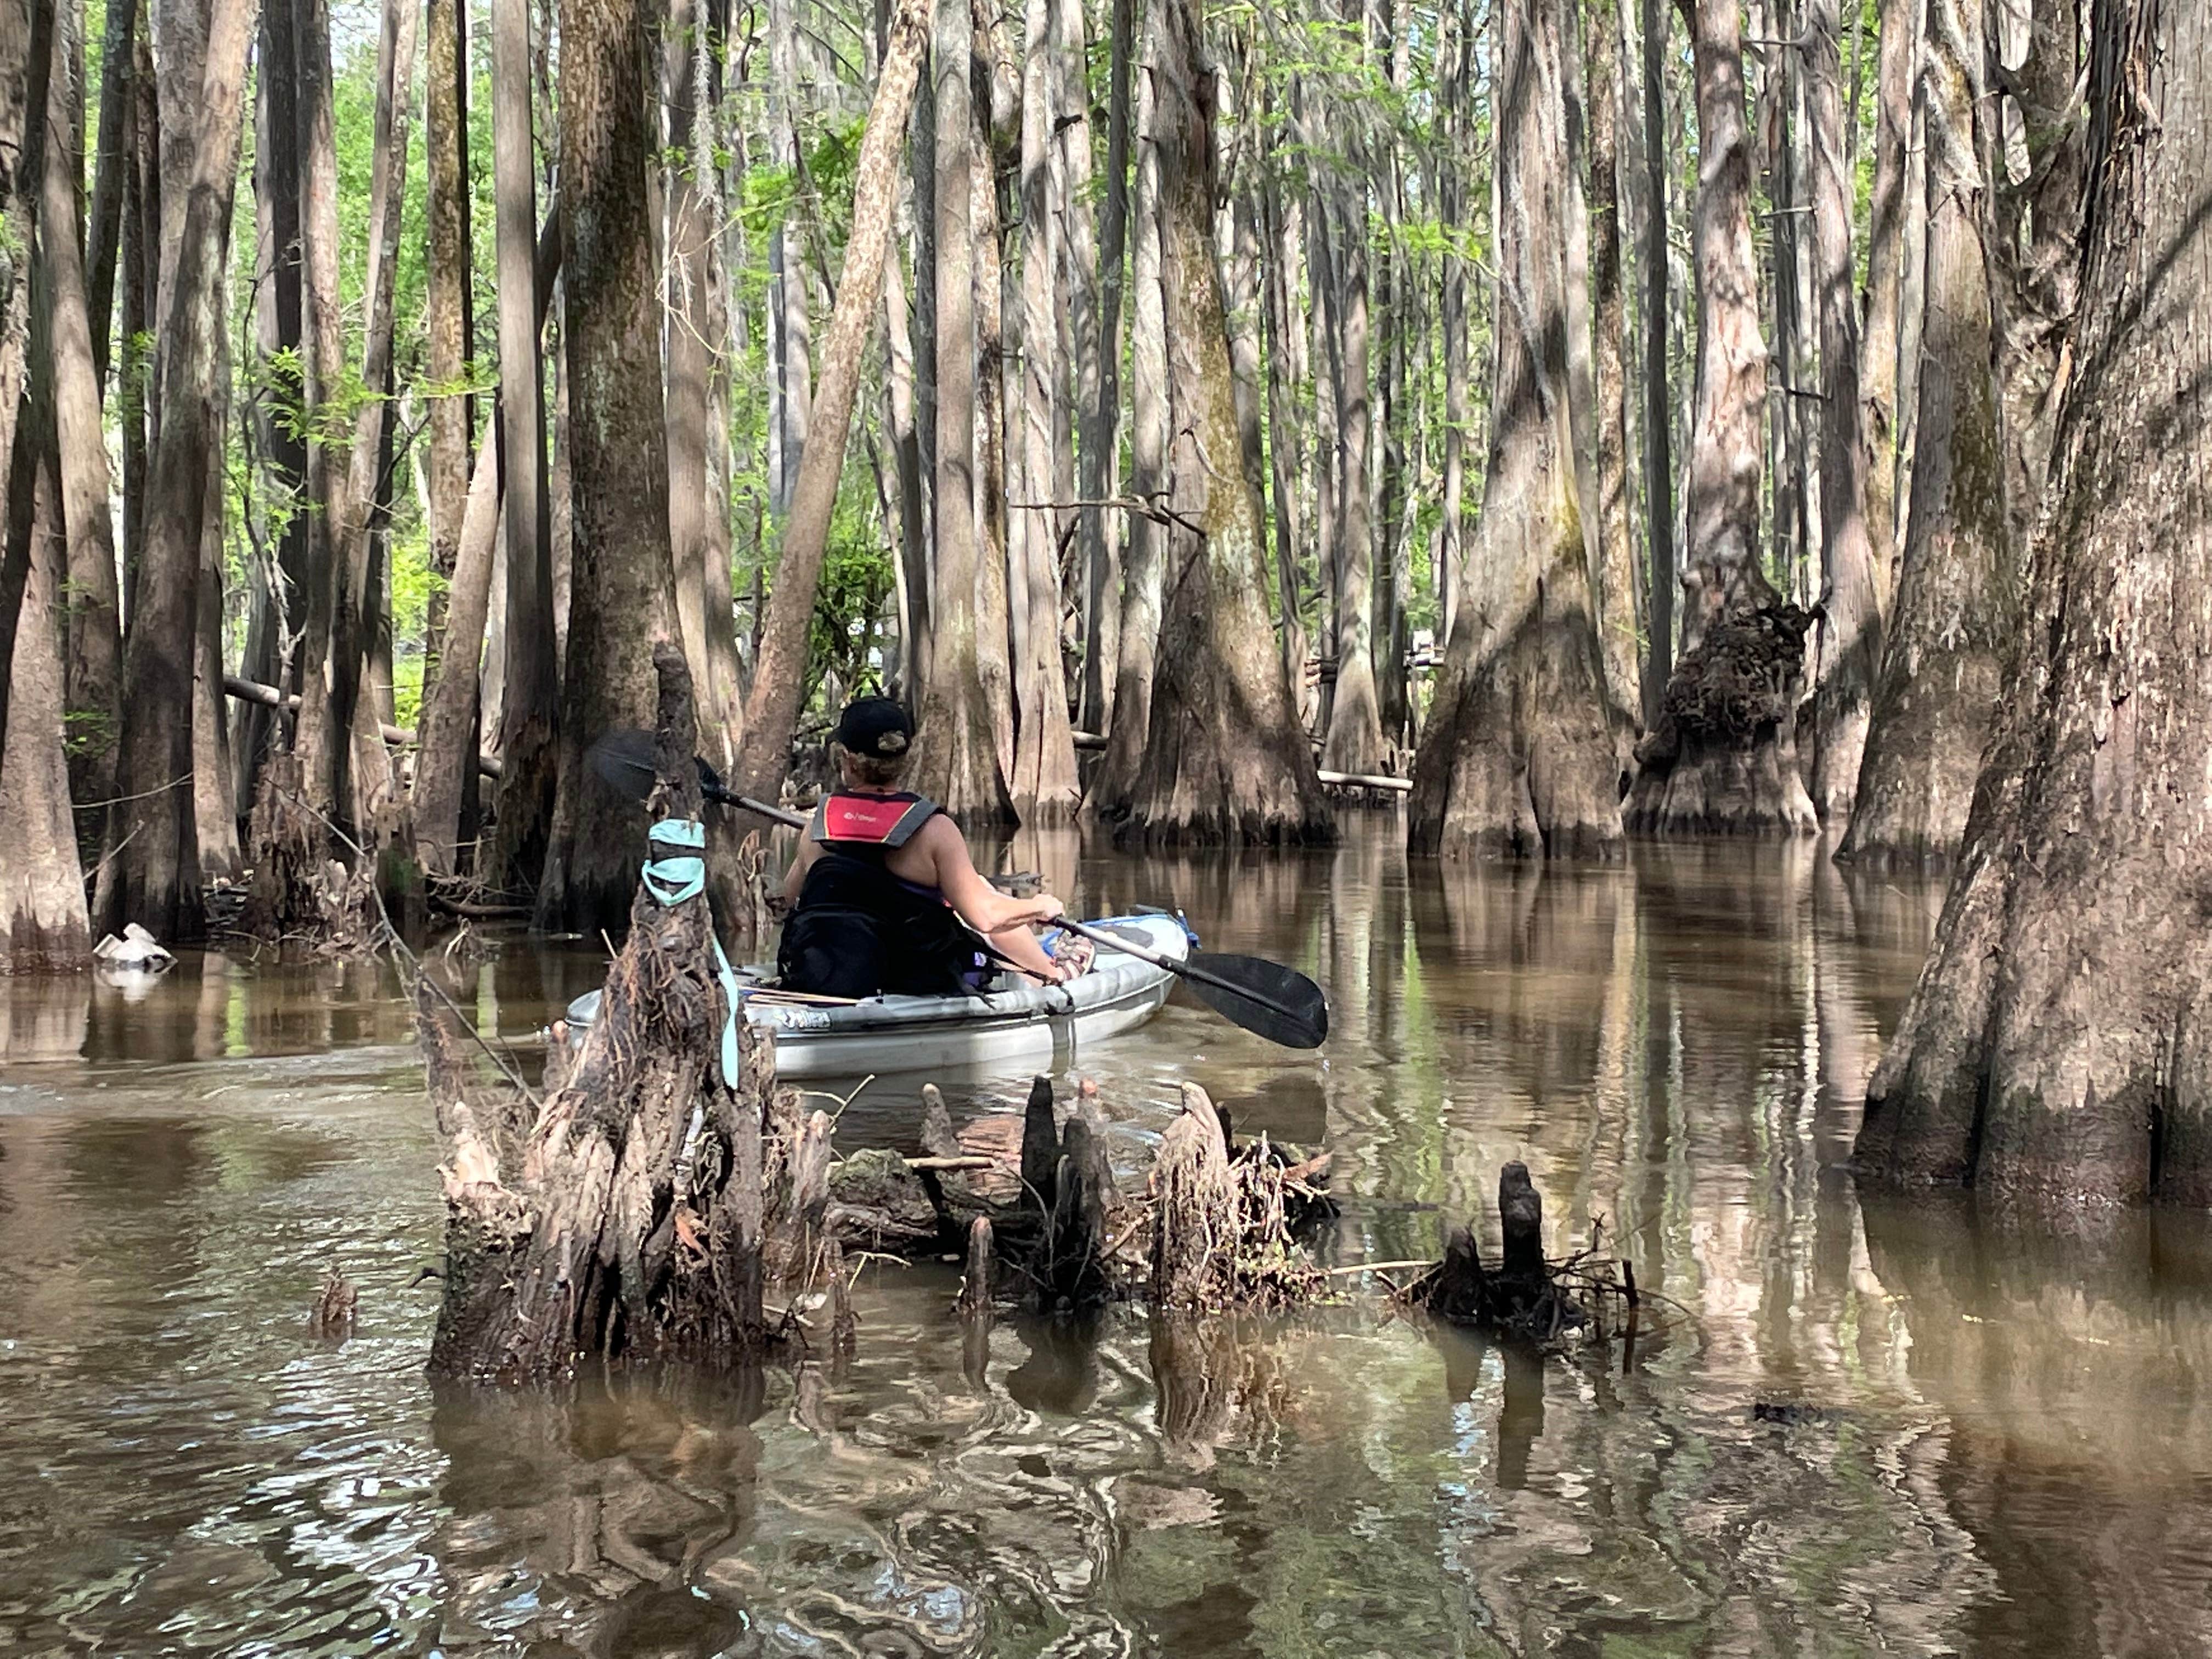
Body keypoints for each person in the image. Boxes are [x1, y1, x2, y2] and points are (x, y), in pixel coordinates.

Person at [775, 698, 1086, 998]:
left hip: (828, 974)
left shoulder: (818, 827)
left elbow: (784, 904)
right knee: (980, 891)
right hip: (913, 980)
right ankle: (1052, 975)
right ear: (905, 759)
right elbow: (985, 917)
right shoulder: (935, 830)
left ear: (845, 758)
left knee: (972, 890)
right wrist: (1038, 907)